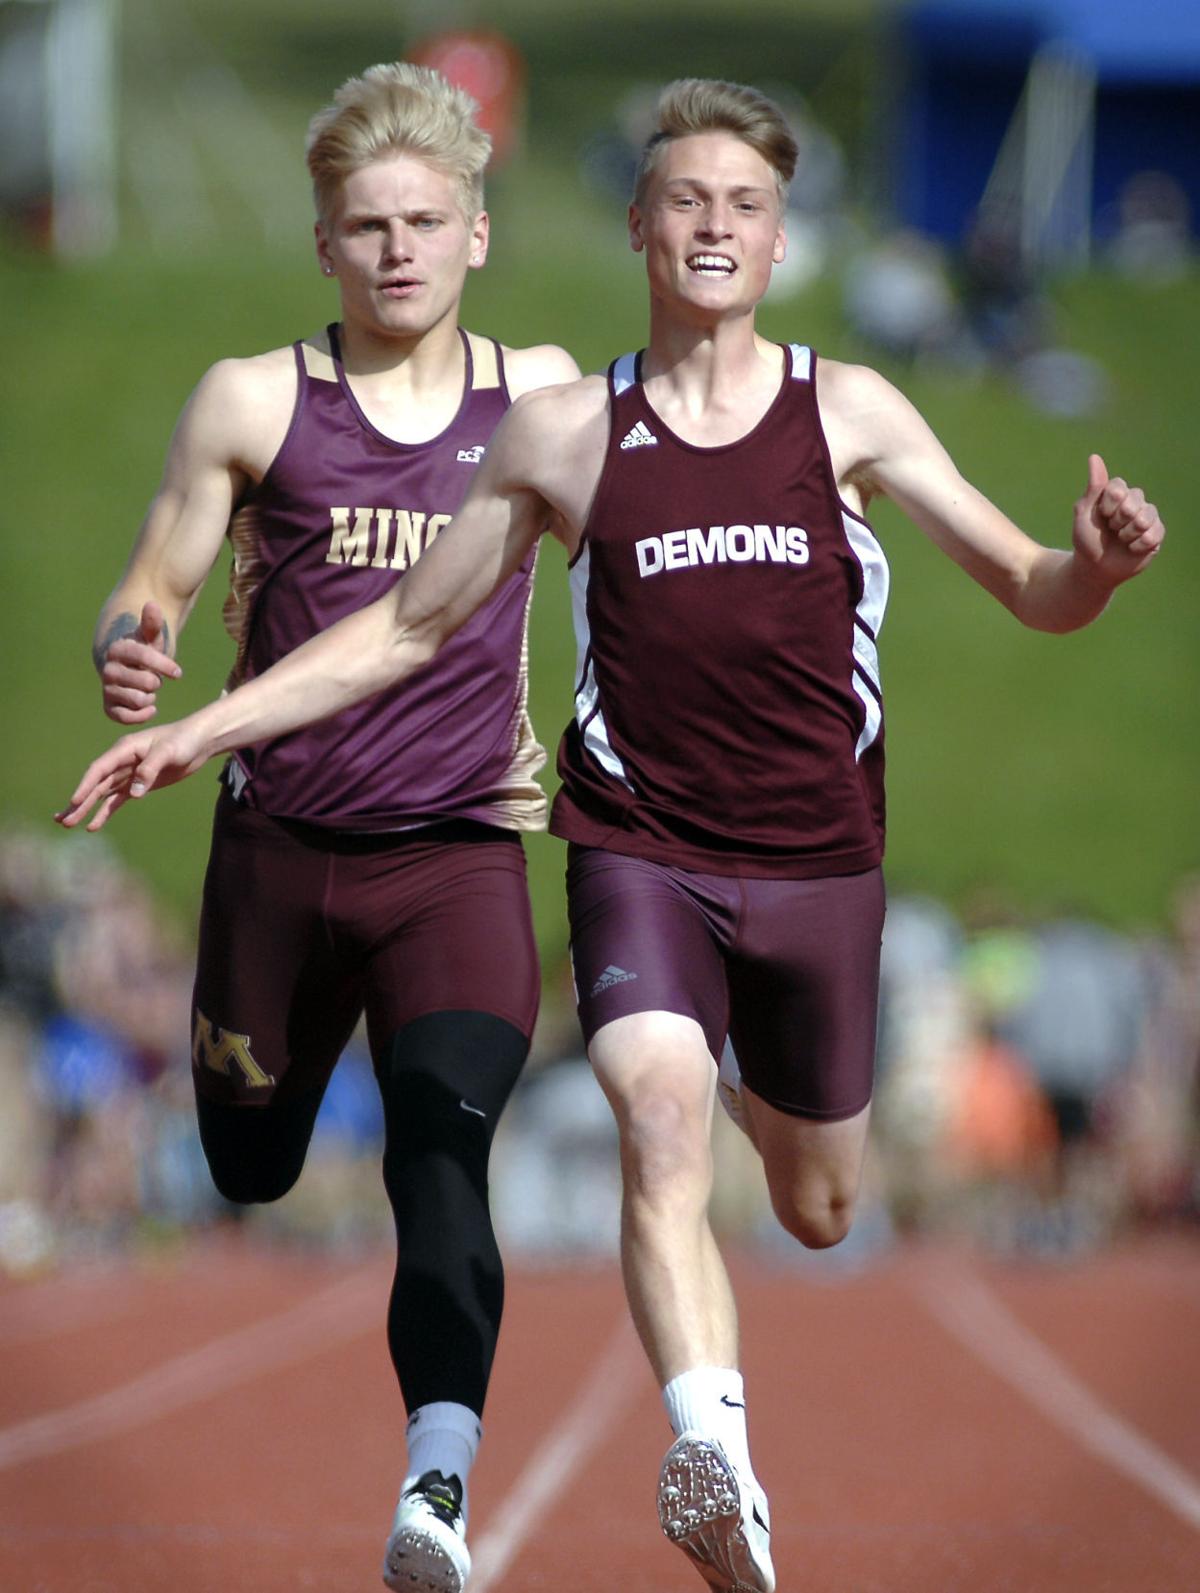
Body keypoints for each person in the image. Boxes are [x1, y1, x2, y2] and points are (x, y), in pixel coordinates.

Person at [61, 78, 1165, 1593]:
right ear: (638, 227)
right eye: (687, 202)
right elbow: (398, 624)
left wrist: (1095, 567)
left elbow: (1031, 580)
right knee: (622, 1108)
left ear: (780, 242)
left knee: (817, 1203)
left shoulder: (836, 409)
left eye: (747, 207)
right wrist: (197, 715)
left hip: (793, 861)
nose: (715, 227)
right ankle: (712, 1454)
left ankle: (671, 1303)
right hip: (619, 845)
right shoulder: (553, 429)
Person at [84, 61, 577, 1593]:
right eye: (367, 225)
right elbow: (158, 571)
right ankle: (261, 1124)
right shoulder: (253, 397)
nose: (399, 250)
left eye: (427, 220)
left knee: (443, 1150)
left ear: (477, 233)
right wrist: (133, 634)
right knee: (248, 1166)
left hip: (458, 855)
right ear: (323, 242)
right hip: (280, 861)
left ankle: (436, 1483)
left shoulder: (541, 396)